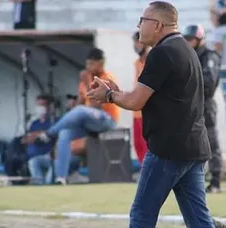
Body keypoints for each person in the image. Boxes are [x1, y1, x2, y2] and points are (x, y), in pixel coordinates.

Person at [80, 2, 226, 228]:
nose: (139, 27)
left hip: (168, 150)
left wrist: (109, 95)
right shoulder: (184, 49)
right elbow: (146, 98)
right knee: (199, 223)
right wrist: (115, 90)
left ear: (158, 25)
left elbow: (136, 102)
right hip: (192, 148)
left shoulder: (161, 53)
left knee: (142, 218)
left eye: (143, 20)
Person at [37, 48, 119, 185]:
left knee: (81, 111)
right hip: (88, 121)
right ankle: (61, 178)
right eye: (87, 64)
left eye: (92, 64)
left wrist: (87, 83)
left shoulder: (107, 79)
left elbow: (95, 106)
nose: (88, 68)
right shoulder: (84, 82)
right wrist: (72, 108)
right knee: (65, 132)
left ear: (101, 63)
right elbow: (80, 105)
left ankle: (49, 133)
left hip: (106, 119)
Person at [183, 24, 223, 193]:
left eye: (191, 39)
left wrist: (188, 83)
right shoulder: (188, 56)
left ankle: (215, 180)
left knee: (211, 142)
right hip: (190, 105)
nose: (188, 42)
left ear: (199, 40)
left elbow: (209, 83)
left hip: (205, 105)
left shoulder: (208, 56)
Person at [23, 95, 55, 185]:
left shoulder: (53, 121)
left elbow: (48, 135)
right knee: (33, 161)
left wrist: (36, 135)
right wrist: (38, 134)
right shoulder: (34, 123)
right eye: (39, 105)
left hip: (49, 156)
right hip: (34, 156)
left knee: (54, 165)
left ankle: (49, 186)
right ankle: (40, 186)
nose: (40, 108)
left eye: (43, 105)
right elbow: (27, 139)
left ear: (49, 107)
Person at [132, 31, 150, 165]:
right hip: (136, 110)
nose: (136, 45)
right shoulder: (137, 63)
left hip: (147, 110)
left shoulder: (151, 59)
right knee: (138, 143)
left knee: (147, 145)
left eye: (137, 42)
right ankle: (142, 171)